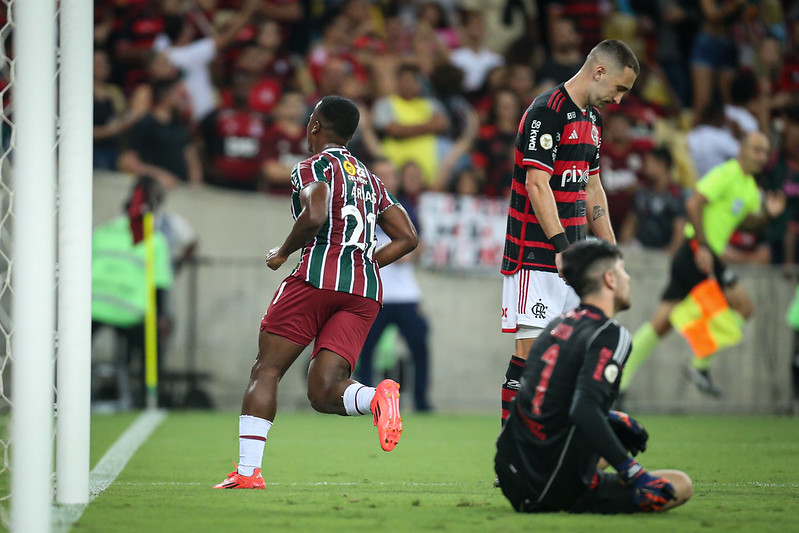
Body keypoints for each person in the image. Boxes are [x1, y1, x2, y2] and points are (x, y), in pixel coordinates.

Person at [214, 96, 418, 489]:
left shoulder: (311, 166)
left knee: (267, 370)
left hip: (314, 279)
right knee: (323, 392)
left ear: (314, 126)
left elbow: (316, 214)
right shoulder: (371, 179)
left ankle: (247, 472)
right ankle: (376, 398)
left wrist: (282, 251)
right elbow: (407, 237)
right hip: (363, 291)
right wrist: (365, 262)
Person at [499, 40, 639, 429]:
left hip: (572, 257)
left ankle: (550, 444)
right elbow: (537, 183)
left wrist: (610, 249)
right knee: (530, 352)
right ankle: (512, 452)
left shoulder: (592, 120)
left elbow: (592, 188)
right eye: (619, 88)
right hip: (536, 255)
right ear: (599, 72)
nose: (620, 99)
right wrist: (561, 247)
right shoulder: (547, 111)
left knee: (569, 355)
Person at [495, 239, 693, 514]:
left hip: (511, 475)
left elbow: (538, 400)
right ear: (610, 279)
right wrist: (633, 473)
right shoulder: (611, 334)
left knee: (619, 432)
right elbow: (584, 408)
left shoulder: (556, 326)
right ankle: (576, 490)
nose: (628, 278)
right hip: (548, 489)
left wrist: (609, 420)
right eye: (623, 271)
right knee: (681, 484)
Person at [620, 132, 784, 397]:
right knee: (743, 306)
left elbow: (746, 222)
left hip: (696, 253)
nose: (761, 157)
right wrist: (705, 246)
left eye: (765, 152)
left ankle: (619, 382)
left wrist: (767, 214)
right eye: (756, 150)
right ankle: (700, 363)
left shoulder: (750, 187)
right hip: (699, 251)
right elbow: (694, 202)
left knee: (660, 324)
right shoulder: (726, 173)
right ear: (741, 149)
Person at [356, 159, 432, 412]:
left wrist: (410, 252)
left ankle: (421, 402)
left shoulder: (405, 207)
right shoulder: (362, 206)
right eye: (382, 175)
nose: (388, 179)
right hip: (376, 293)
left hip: (406, 294)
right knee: (365, 351)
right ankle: (364, 401)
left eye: (391, 175)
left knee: (420, 348)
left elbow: (418, 246)